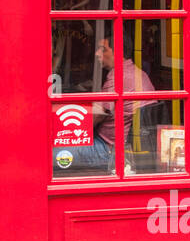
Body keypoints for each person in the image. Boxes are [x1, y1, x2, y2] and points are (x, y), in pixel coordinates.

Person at [53, 34, 156, 174]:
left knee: (53, 151)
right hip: (125, 146)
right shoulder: (139, 73)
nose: (97, 53)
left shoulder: (119, 76)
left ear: (117, 51)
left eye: (103, 49)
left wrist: (63, 132)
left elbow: (96, 117)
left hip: (109, 150)